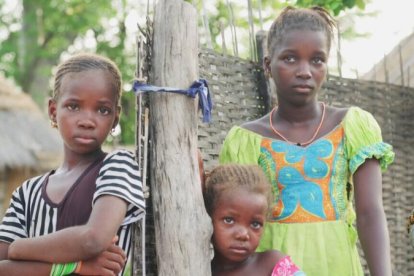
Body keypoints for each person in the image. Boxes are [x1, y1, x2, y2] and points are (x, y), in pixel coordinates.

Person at [219, 6, 394, 276]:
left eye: (317, 60)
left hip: (339, 267)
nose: (304, 71)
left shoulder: (352, 126)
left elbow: (370, 212)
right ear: (268, 65)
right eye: (290, 59)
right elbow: (229, 222)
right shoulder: (246, 140)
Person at [0, 53, 145, 275]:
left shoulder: (118, 166)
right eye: (74, 106)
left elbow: (93, 239)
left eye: (102, 110)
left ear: (115, 118)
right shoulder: (27, 193)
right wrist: (76, 266)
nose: (87, 120)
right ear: (52, 110)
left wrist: (18, 249)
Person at [204, 163, 305, 275]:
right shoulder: (200, 270)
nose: (243, 235)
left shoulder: (271, 265)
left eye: (255, 224)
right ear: (208, 218)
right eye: (229, 220)